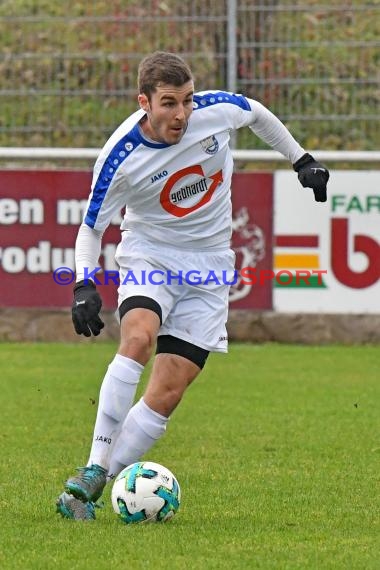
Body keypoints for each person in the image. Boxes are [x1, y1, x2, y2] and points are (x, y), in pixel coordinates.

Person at [56, 51, 329, 519]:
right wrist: (84, 283)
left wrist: (300, 159)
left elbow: (257, 114)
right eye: (167, 103)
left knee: (168, 391)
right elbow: (90, 228)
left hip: (210, 268)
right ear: (144, 102)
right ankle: (94, 464)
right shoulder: (120, 157)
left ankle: (91, 491)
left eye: (186, 100)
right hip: (151, 256)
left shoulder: (214, 111)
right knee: (139, 337)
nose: (181, 114)